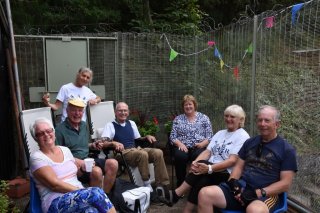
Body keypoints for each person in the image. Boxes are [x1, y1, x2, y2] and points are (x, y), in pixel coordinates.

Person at [198, 105, 298, 213]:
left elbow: (285, 184)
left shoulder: (286, 149)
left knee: (254, 210)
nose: (262, 124)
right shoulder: (250, 142)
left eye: (267, 120)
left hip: (266, 194)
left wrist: (257, 193)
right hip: (242, 188)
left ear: (277, 124)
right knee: (205, 194)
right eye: (260, 120)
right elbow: (238, 167)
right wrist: (233, 183)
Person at [172, 104, 250, 212]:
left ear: (240, 119)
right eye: (226, 116)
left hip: (225, 172)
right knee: (202, 179)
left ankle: (177, 194)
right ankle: (186, 210)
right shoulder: (220, 133)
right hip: (209, 169)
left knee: (202, 174)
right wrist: (195, 162)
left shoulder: (243, 136)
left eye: (232, 117)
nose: (228, 119)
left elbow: (232, 161)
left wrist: (209, 168)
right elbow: (207, 152)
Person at [29, 117, 116, 213]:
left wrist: (82, 170)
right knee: (96, 193)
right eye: (40, 133)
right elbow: (54, 185)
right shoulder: (37, 158)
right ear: (35, 138)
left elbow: (76, 175)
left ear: (53, 132)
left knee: (94, 210)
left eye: (48, 130)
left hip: (77, 197)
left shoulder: (65, 150)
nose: (46, 135)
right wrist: (82, 191)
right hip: (56, 202)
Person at [101, 102, 171, 197]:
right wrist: (113, 143)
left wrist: (146, 136)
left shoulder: (131, 123)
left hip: (136, 149)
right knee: (142, 154)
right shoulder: (110, 125)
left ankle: (162, 184)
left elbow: (138, 139)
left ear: (128, 112)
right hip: (121, 153)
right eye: (120, 110)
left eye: (125, 110)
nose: (123, 113)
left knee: (158, 152)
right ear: (115, 112)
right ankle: (146, 184)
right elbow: (103, 143)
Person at [55, 98, 118, 194]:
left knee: (113, 163)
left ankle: (104, 197)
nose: (77, 113)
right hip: (72, 165)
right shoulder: (59, 130)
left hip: (88, 159)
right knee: (96, 172)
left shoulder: (84, 125)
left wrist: (93, 145)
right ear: (67, 111)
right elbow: (57, 154)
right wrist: (78, 161)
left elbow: (84, 145)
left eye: (80, 111)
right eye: (73, 110)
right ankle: (94, 202)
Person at [169, 94, 214, 187]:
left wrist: (202, 144)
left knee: (199, 157)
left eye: (190, 104)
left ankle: (195, 183)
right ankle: (181, 183)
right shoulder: (178, 119)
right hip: (183, 147)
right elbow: (173, 136)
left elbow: (210, 136)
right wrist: (180, 144)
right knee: (179, 156)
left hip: (199, 147)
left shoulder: (204, 118)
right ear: (183, 107)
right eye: (186, 105)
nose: (188, 106)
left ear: (194, 105)